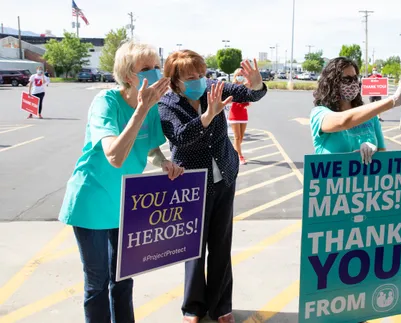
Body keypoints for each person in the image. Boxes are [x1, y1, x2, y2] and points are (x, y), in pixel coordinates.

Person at [58, 41, 184, 323]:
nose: (154, 73)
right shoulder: (106, 103)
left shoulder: (151, 107)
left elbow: (150, 147)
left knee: (124, 279)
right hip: (92, 203)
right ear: (129, 75)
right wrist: (140, 110)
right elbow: (114, 155)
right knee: (97, 283)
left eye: (155, 67)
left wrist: (164, 162)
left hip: (125, 203)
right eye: (145, 69)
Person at [160, 50, 267, 323]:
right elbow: (181, 138)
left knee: (221, 244)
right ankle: (193, 307)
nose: (199, 80)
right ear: (175, 80)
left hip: (224, 177)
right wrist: (208, 115)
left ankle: (221, 305)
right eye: (190, 77)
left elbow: (250, 95)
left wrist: (255, 84)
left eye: (201, 74)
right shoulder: (167, 103)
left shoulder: (212, 88)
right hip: (191, 184)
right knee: (193, 248)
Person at [310, 56, 401, 322]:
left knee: (360, 273)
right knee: (328, 276)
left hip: (366, 205)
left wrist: (372, 151)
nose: (352, 84)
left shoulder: (371, 120)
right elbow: (344, 121)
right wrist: (391, 101)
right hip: (331, 206)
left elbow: (382, 156)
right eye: (346, 79)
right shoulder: (320, 114)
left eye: (355, 78)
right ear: (332, 82)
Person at [228, 67, 251, 164]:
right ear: (235, 76)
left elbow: (250, 97)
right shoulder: (232, 87)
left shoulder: (246, 86)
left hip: (243, 114)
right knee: (237, 137)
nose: (240, 77)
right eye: (238, 75)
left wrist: (247, 102)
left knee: (241, 138)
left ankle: (233, 152)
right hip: (234, 114)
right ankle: (240, 157)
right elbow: (230, 100)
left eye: (241, 75)